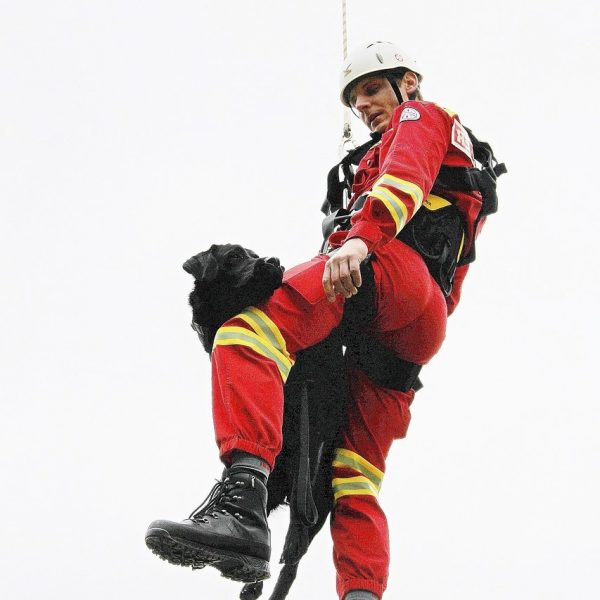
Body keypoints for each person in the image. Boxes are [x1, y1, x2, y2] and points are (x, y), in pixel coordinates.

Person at [146, 41, 487, 600]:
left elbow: (404, 179)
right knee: (352, 476)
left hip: (392, 273)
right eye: (356, 101)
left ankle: (244, 504)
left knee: (246, 330)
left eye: (373, 89)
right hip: (412, 328)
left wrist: (359, 240)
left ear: (408, 80)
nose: (366, 106)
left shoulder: (419, 116)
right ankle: (361, 593)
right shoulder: (454, 153)